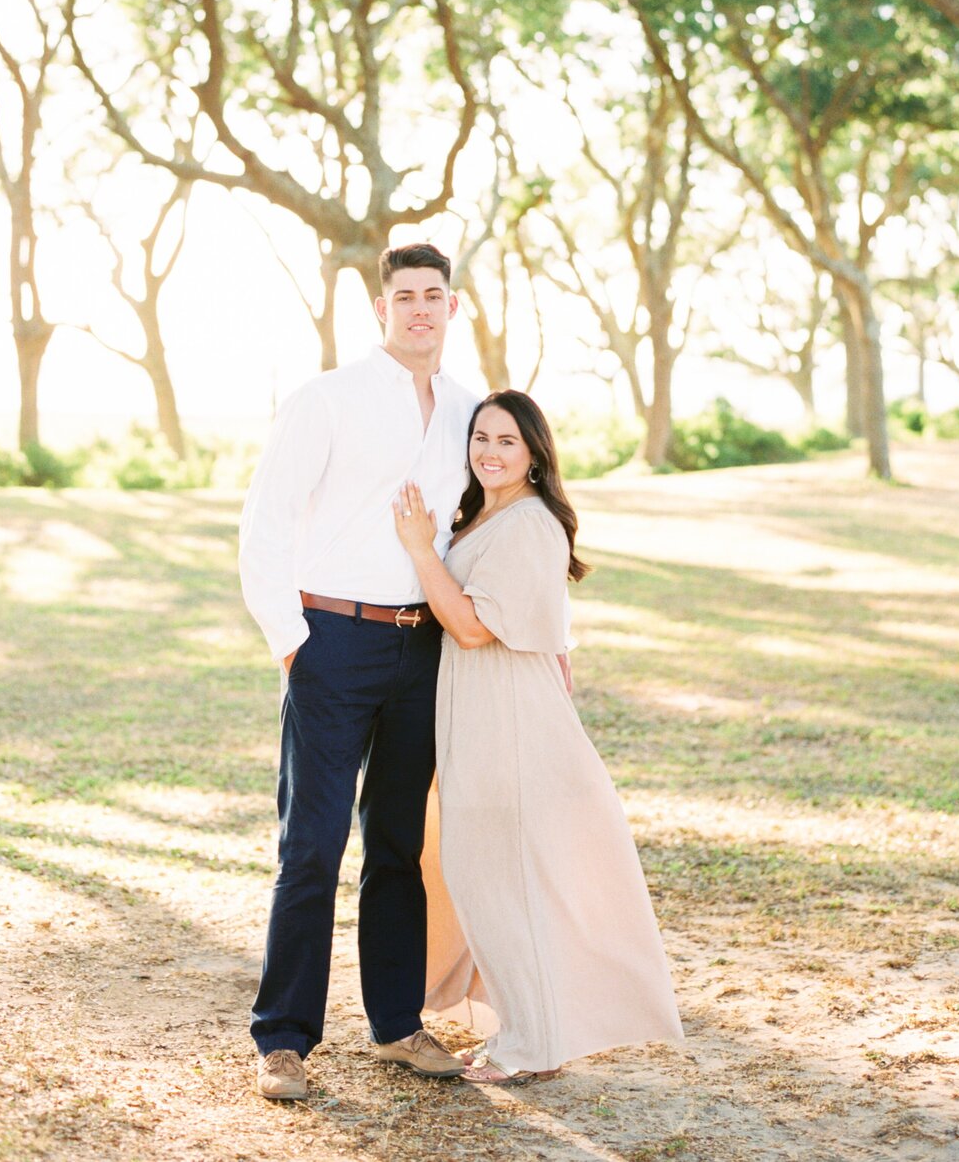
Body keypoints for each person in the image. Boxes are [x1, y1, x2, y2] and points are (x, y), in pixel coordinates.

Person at [239, 242, 479, 1101]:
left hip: (424, 651)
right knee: (311, 845)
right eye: (405, 296)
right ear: (382, 309)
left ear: (455, 308)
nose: (420, 309)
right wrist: (289, 638)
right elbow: (264, 519)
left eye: (435, 295)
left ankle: (396, 1025)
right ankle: (284, 1039)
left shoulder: (467, 409)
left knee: (398, 846)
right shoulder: (327, 399)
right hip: (331, 640)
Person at [393, 390, 684, 1085]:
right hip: (482, 712)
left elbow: (471, 627)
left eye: (507, 442)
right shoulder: (483, 517)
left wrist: (416, 548)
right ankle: (518, 1027)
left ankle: (532, 1044)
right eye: (481, 439)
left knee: (503, 880)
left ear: (534, 456)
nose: (490, 453)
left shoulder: (527, 523)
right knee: (483, 875)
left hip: (508, 724)